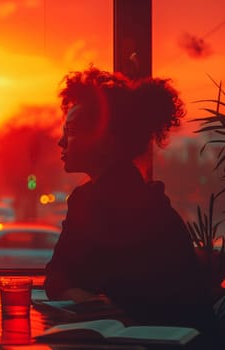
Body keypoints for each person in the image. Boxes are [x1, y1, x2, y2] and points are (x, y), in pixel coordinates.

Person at [44, 67, 216, 332]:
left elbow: (62, 278)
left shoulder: (124, 205)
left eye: (72, 131)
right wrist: (91, 301)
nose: (60, 141)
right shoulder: (103, 197)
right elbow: (59, 276)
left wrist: (88, 300)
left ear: (105, 141)